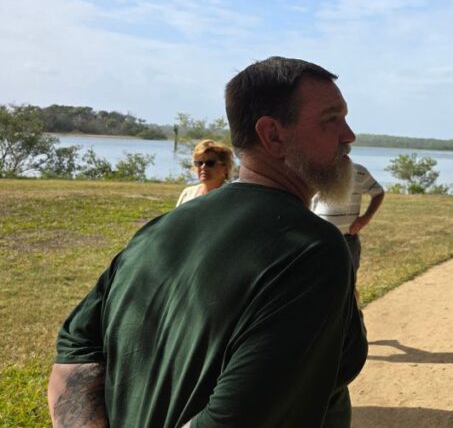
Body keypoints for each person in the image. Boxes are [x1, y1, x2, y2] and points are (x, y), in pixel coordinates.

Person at [49, 57, 367, 428]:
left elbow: (75, 354)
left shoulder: (157, 231)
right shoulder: (311, 249)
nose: (349, 135)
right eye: (332, 119)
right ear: (273, 135)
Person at [312, 163, 386, 284]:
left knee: (348, 284)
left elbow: (378, 192)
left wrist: (367, 217)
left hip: (348, 240)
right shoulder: (315, 168)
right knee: (318, 284)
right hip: (317, 240)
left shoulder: (359, 171)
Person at [176, 139, 234, 206]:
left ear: (225, 168)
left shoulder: (233, 197)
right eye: (199, 163)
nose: (203, 167)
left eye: (210, 163)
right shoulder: (188, 193)